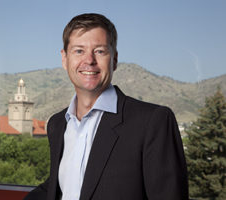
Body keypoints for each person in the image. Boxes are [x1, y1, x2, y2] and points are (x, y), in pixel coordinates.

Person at [24, 13, 188, 200]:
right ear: (64, 58)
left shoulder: (153, 121)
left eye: (100, 51)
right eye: (79, 51)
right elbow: (61, 185)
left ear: (114, 59)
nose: (89, 60)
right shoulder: (57, 124)